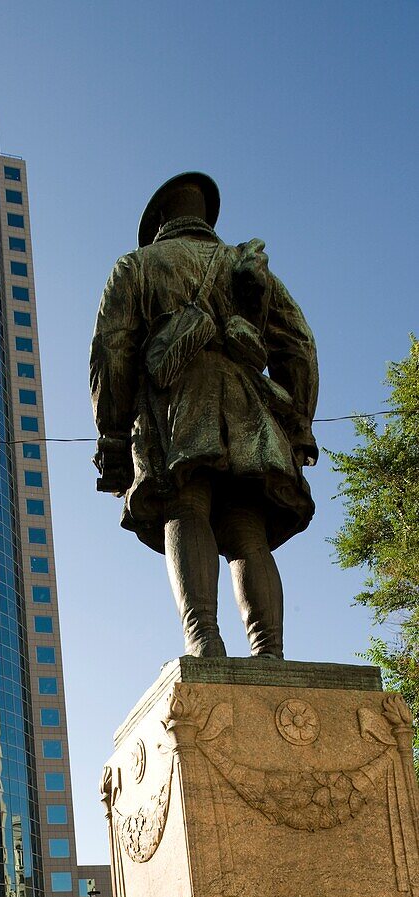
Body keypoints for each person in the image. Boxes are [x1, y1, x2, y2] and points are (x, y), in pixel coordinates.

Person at [90, 172, 318, 658]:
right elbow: (299, 346)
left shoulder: (138, 266)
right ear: (203, 217)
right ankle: (269, 650)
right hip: (247, 402)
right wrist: (299, 422)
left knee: (186, 505)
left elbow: (112, 350)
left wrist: (112, 433)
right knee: (245, 525)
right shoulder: (247, 265)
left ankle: (203, 640)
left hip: (177, 400)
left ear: (159, 225)